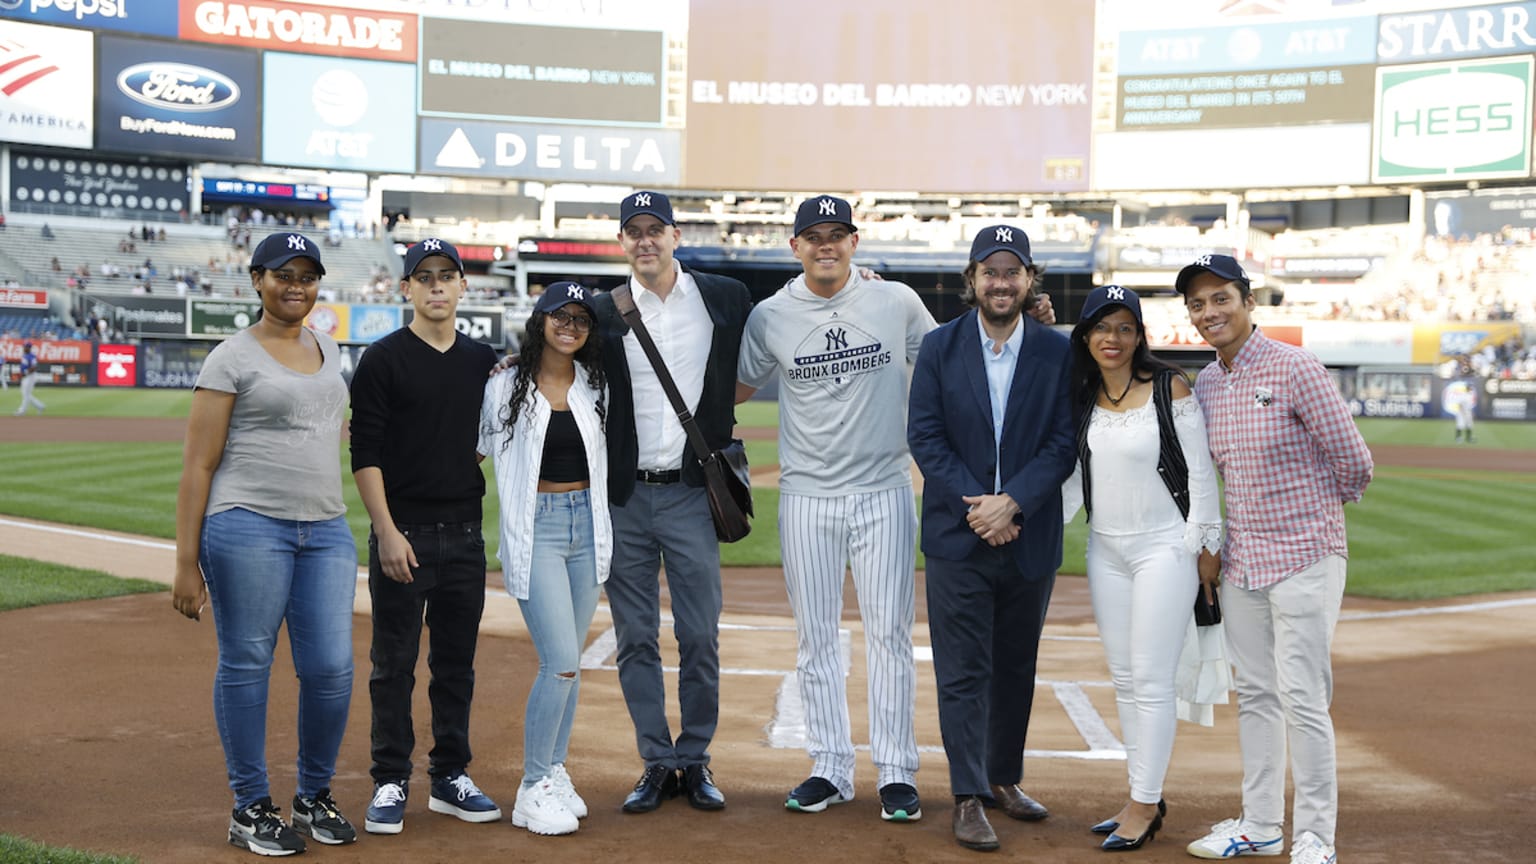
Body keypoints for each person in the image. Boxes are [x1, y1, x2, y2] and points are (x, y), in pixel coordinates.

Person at [736, 194, 932, 823]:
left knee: (889, 636)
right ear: (794, 247)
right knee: (815, 638)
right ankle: (830, 766)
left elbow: (942, 364)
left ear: (854, 242)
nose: (826, 245)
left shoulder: (895, 300)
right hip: (806, 496)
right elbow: (735, 385)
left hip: (884, 491)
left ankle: (897, 770)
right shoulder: (770, 315)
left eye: (837, 234)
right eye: (813, 235)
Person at [1176, 255, 1373, 864]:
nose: (1210, 313)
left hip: (1306, 555)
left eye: (1221, 299)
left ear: (1248, 301)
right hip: (1243, 560)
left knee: (1303, 696)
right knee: (1257, 694)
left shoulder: (1296, 367)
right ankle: (1261, 824)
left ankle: (1316, 835)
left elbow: (1355, 463)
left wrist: (1309, 515)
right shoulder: (1207, 382)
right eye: (1198, 304)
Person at [171, 232, 358, 857]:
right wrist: (185, 564)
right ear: (257, 280)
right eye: (283, 274)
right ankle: (250, 807)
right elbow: (198, 465)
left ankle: (313, 796)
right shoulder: (230, 357)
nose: (295, 285)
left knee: (331, 669)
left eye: (306, 275)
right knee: (248, 664)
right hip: (247, 523)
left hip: (326, 528)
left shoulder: (329, 348)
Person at [906, 225, 1076, 851]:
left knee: (1015, 667)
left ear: (1030, 279)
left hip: (1028, 536)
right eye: (990, 272)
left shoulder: (1057, 352)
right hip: (960, 534)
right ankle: (968, 793)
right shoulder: (940, 347)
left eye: (1013, 272)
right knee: (962, 671)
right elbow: (925, 436)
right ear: (971, 280)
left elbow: (1064, 442)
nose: (1000, 283)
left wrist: (1015, 503)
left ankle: (1004, 777)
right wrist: (982, 506)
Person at [595, 190, 749, 814]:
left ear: (676, 236)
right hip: (626, 497)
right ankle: (657, 762)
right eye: (634, 232)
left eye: (655, 229)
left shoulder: (724, 296)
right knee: (634, 638)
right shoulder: (605, 312)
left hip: (691, 493)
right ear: (623, 243)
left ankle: (695, 757)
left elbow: (787, 321)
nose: (645, 240)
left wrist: (863, 278)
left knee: (699, 636)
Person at [349, 238, 502, 835]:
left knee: (456, 665)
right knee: (393, 665)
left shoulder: (482, 360)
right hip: (403, 535)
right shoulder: (383, 359)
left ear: (463, 286)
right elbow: (365, 451)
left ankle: (448, 775)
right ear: (405, 288)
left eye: (447, 276)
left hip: (464, 535)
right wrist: (385, 531)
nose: (436, 286)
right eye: (424, 277)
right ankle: (390, 778)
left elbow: (492, 435)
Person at [1062, 285, 1222, 852]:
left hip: (1165, 548)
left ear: (1139, 336)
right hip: (1106, 549)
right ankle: (1140, 792)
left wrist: (1207, 544)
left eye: (1125, 327)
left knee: (1151, 681)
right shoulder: (1082, 394)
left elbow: (1200, 472)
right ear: (1085, 336)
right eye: (1102, 328)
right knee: (1126, 679)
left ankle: (1145, 801)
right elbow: (1073, 479)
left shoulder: (1169, 386)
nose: (1113, 339)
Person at [478, 282, 610, 837]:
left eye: (581, 318)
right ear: (539, 321)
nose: (570, 326)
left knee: (571, 664)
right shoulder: (504, 383)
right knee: (557, 661)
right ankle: (532, 787)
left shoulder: (596, 383)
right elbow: (473, 449)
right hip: (539, 527)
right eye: (560, 316)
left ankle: (554, 772)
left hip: (587, 524)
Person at [14, 341, 45, 415]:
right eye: (24, 346)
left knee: (26, 394)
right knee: (26, 394)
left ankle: (22, 410)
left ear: (29, 348)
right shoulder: (24, 355)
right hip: (25, 376)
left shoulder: (32, 356)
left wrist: (26, 373)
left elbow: (34, 366)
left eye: (25, 346)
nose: (24, 348)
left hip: (30, 376)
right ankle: (40, 406)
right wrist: (21, 376)